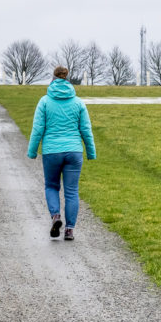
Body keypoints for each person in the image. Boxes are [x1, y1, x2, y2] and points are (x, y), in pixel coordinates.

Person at [27, 65, 96, 241]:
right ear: (67, 79)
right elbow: (86, 130)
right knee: (72, 191)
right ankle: (69, 230)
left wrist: (33, 151)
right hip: (74, 151)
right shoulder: (78, 102)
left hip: (52, 151)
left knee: (51, 186)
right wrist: (91, 151)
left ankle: (56, 216)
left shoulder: (44, 101)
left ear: (53, 78)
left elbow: (38, 129)